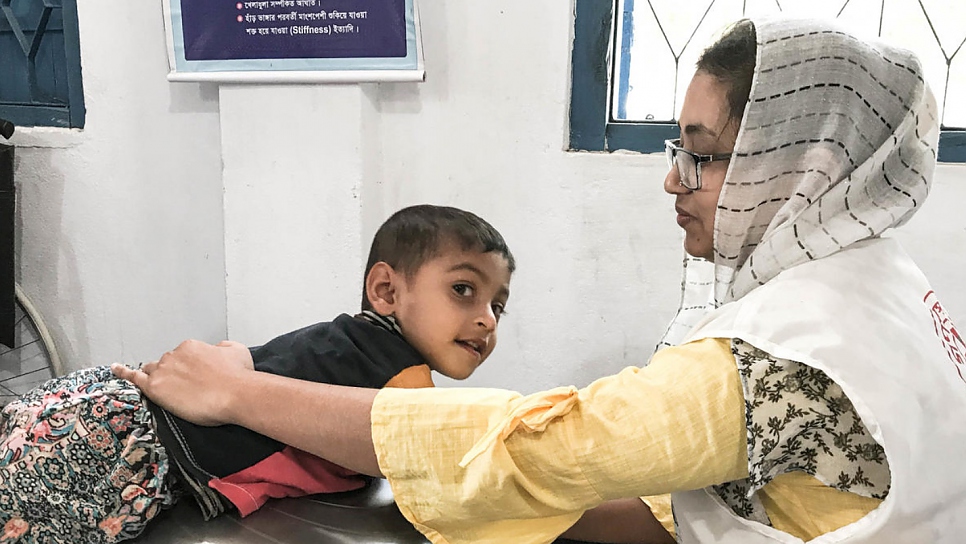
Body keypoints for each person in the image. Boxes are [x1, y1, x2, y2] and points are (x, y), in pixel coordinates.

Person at [113, 16, 966, 544]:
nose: (672, 180)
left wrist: (237, 392)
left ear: (806, 162)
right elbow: (746, 496)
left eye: (701, 157)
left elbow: (536, 442)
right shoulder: (881, 288)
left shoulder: (787, 353)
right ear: (384, 290)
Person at [0, 204, 515, 542]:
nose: (486, 319)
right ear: (385, 291)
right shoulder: (398, 374)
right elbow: (437, 463)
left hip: (106, 406)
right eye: (464, 290)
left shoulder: (350, 339)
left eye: (499, 305)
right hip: (125, 449)